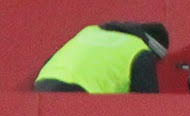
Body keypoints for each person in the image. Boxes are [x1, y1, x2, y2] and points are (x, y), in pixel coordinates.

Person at [33, 22, 170, 94]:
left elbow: (53, 59)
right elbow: (148, 106)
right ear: (154, 51)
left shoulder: (92, 30)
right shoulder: (140, 50)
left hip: (43, 83)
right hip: (78, 93)